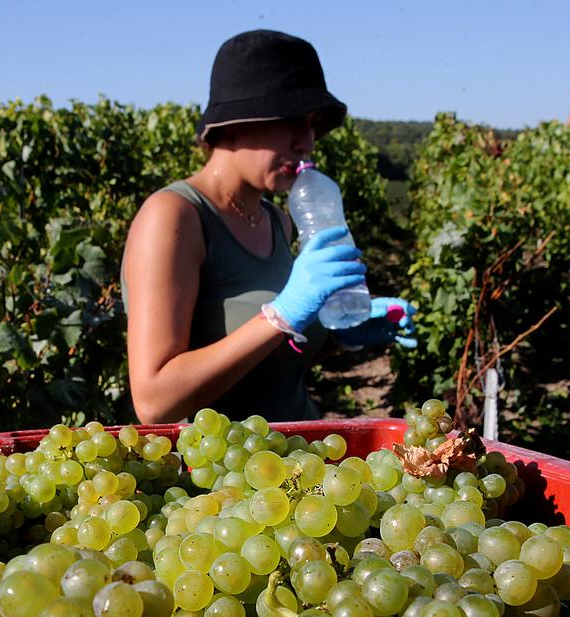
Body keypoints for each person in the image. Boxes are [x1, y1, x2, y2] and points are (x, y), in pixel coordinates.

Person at [121, 30, 414, 424]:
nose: (306, 142)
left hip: (295, 461)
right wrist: (280, 316)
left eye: (311, 125)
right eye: (291, 120)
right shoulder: (174, 216)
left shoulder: (277, 220)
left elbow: (262, 363)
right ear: (232, 125)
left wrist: (340, 335)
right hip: (223, 476)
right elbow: (155, 402)